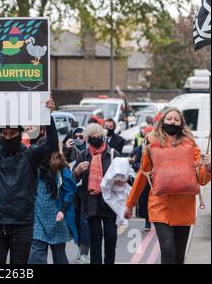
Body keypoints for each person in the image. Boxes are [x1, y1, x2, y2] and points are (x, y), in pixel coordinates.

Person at [0, 96, 58, 264]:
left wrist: (48, 117)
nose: (7, 137)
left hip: (22, 224)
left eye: (12, 133)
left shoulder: (31, 155)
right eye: (4, 133)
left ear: (20, 135)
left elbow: (52, 145)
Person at [125, 108, 211, 264]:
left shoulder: (191, 145)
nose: (173, 122)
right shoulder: (152, 145)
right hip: (160, 205)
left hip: (184, 206)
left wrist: (209, 168)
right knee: (167, 249)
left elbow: (201, 179)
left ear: (182, 123)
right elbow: (142, 177)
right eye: (169, 119)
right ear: (162, 121)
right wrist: (130, 204)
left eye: (176, 120)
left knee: (178, 256)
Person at [73, 123, 120, 264]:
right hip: (91, 204)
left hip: (110, 203)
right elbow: (73, 178)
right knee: (95, 241)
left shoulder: (113, 154)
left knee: (111, 238)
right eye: (91, 137)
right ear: (87, 139)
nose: (95, 139)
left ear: (103, 137)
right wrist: (78, 171)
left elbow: (125, 178)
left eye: (98, 137)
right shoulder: (83, 155)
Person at [27, 139, 78, 264]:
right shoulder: (34, 166)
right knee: (36, 252)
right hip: (38, 216)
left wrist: (63, 210)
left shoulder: (61, 168)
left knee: (59, 253)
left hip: (57, 217)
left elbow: (70, 191)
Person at [129, 126, 153, 231]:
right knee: (144, 200)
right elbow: (135, 159)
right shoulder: (142, 147)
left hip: (156, 179)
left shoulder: (159, 147)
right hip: (144, 177)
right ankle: (147, 222)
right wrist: (141, 167)